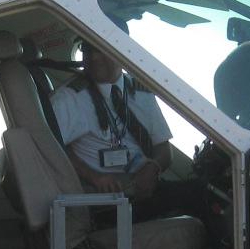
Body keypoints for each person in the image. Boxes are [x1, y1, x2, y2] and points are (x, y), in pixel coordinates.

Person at [49, 42, 189, 218]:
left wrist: (153, 168)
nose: (93, 57)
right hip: (106, 200)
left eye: (101, 49)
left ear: (123, 52)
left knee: (202, 193)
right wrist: (94, 178)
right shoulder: (69, 99)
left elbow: (163, 149)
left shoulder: (142, 92)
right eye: (87, 50)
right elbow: (51, 150)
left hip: (145, 189)